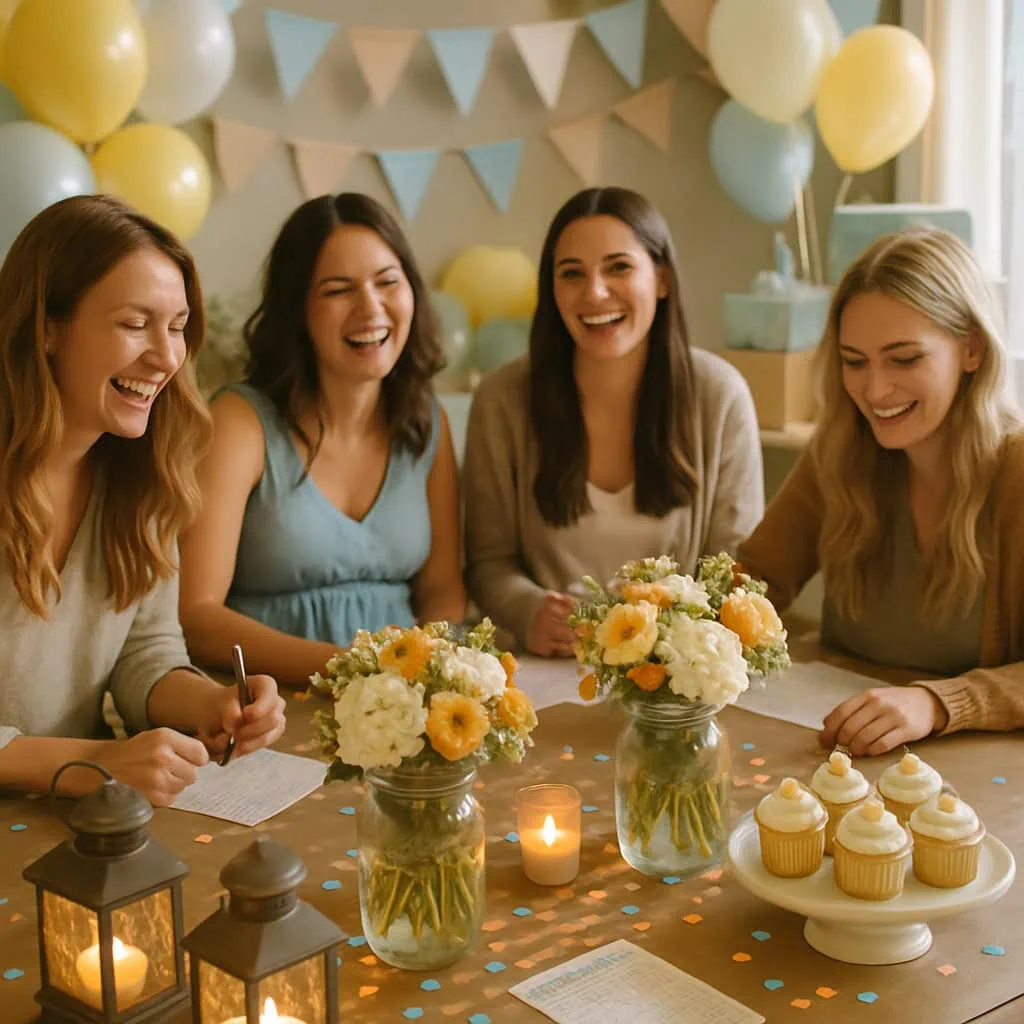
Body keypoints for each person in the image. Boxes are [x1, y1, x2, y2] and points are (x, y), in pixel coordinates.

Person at [0, 195, 286, 806]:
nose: (166, 357)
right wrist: (94, 761)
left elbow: (145, 651)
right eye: (135, 324)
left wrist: (210, 703)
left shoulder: (141, 475)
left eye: (177, 327)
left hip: (78, 811)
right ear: (46, 328)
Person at [738, 227, 1024, 755]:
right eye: (854, 361)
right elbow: (752, 585)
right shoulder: (838, 452)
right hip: (840, 757)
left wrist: (937, 703)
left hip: (979, 776)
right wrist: (661, 621)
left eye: (904, 358)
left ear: (972, 349)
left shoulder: (1016, 471)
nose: (874, 390)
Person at [464, 186, 764, 656]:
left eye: (619, 267)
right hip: (545, 667)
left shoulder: (721, 395)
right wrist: (527, 609)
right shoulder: (501, 399)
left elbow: (736, 571)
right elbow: (488, 562)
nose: (595, 292)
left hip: (676, 671)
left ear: (662, 279)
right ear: (552, 290)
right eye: (572, 274)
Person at [179, 193, 465, 685]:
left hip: (396, 704)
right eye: (338, 290)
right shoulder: (238, 423)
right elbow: (196, 617)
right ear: (297, 310)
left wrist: (421, 672)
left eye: (387, 282)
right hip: (265, 706)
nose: (370, 308)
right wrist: (348, 668)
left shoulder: (428, 423)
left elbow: (443, 590)